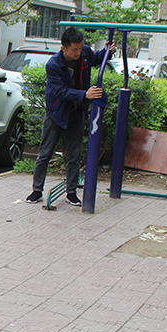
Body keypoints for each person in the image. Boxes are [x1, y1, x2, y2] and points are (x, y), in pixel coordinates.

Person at [26, 27, 114, 206]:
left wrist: (107, 52)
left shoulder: (85, 53)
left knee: (74, 154)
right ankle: (37, 190)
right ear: (63, 48)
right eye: (74, 49)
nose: (78, 52)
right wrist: (85, 95)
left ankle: (71, 192)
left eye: (80, 48)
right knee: (45, 153)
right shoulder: (54, 65)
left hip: (76, 111)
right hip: (56, 112)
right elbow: (60, 91)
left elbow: (97, 58)